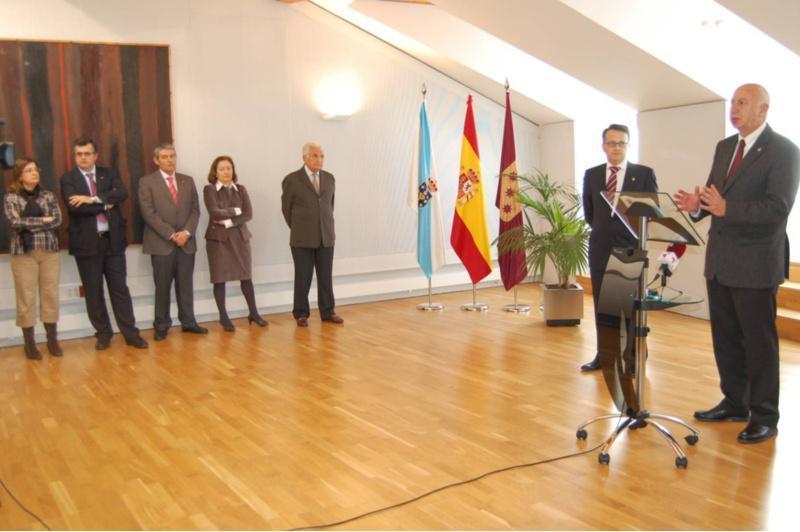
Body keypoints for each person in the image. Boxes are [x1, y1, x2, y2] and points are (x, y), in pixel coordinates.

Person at [674, 83, 800, 444]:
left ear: (763, 109)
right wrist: (696, 206)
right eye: (733, 102)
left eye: (743, 103)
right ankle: (735, 402)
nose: (735, 109)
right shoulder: (725, 147)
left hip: (756, 264)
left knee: (759, 344)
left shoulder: (784, 151)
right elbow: (715, 198)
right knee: (726, 338)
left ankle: (765, 416)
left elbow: (778, 207)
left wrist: (728, 208)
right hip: (721, 261)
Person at [580, 124, 658, 372]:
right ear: (603, 146)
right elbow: (590, 213)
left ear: (628, 145)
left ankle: (632, 357)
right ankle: (605, 355)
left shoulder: (643, 174)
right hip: (600, 248)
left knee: (628, 306)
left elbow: (652, 212)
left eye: (621, 143)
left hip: (629, 249)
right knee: (603, 306)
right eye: (611, 143)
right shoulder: (592, 174)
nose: (616, 148)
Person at [60, 137, 148, 350]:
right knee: (93, 291)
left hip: (113, 242)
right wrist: (105, 204)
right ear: (74, 156)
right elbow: (75, 208)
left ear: (95, 155)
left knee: (120, 289)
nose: (83, 157)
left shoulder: (108, 173)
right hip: (86, 244)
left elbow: (122, 193)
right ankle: (103, 333)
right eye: (79, 154)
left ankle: (131, 334)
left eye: (87, 153)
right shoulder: (68, 179)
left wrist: (92, 199)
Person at [138, 143, 207, 340]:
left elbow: (195, 210)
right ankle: (161, 325)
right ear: (156, 160)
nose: (170, 160)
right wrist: (171, 234)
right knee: (162, 287)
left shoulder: (187, 180)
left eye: (172, 156)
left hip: (186, 243)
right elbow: (148, 213)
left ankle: (188, 322)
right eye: (165, 157)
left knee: (186, 285)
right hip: (162, 244)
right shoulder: (146, 182)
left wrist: (186, 232)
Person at [3, 157, 63, 359]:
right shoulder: (11, 198)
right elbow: (14, 223)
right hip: (23, 254)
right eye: (28, 170)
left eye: (36, 170)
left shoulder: (48, 195)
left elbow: (57, 220)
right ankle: (30, 344)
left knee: (50, 295)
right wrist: (43, 220)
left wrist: (28, 222)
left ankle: (52, 341)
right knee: (26, 298)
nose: (34, 173)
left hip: (49, 251)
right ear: (19, 176)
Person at [281, 142, 343, 327]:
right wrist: (300, 228)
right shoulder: (292, 180)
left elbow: (329, 206)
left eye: (322, 156)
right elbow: (286, 210)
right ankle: (301, 313)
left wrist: (323, 226)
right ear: (305, 157)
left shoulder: (329, 178)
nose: (319, 159)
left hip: (326, 236)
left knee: (326, 276)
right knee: (303, 277)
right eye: (315, 155)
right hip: (302, 238)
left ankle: (328, 311)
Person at [203, 155, 267, 331]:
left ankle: (254, 313)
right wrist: (236, 211)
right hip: (218, 241)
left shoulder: (241, 189)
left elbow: (248, 214)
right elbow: (214, 212)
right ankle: (223, 317)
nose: (226, 172)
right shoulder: (209, 190)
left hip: (240, 238)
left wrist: (228, 221)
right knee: (219, 279)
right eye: (222, 169)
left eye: (229, 168)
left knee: (246, 277)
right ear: (215, 172)